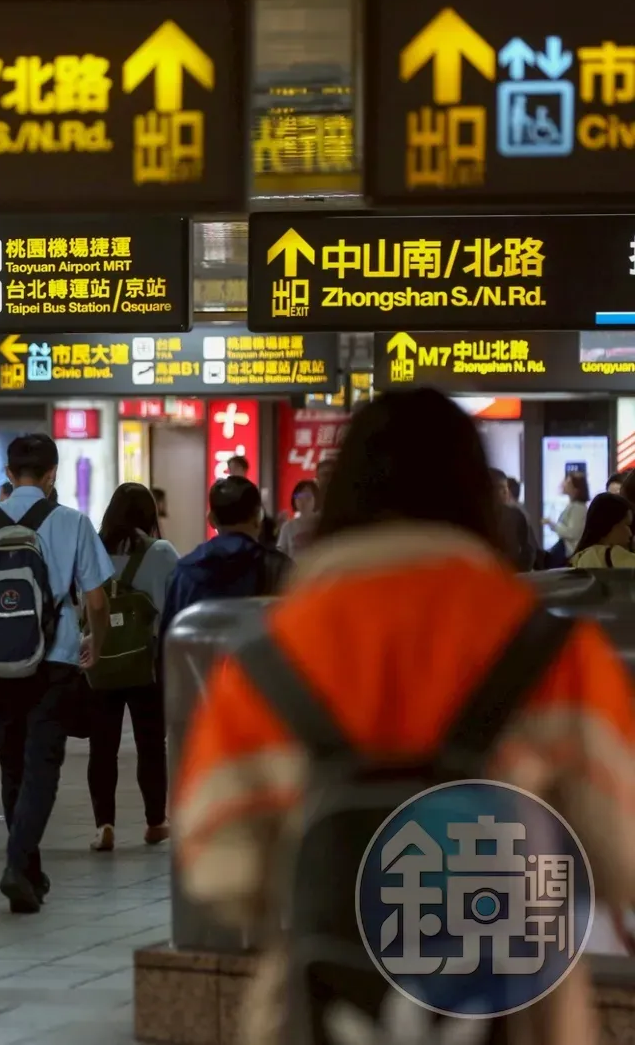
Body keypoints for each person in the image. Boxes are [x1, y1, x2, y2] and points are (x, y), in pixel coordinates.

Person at [173, 388, 635, 1043]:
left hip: (321, 1014)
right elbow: (623, 856)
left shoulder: (265, 660)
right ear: (478, 496)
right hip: (518, 1014)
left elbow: (217, 869)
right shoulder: (558, 654)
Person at [0, 434, 112, 914]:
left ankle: (29, 871)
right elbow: (97, 601)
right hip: (54, 660)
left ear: (10, 473)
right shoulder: (72, 522)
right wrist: (94, 645)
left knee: (13, 761)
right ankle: (19, 865)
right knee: (42, 765)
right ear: (52, 474)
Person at [87, 483, 179, 853]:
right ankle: (155, 821)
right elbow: (173, 606)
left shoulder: (91, 548)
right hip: (147, 661)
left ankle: (103, 826)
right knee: (151, 745)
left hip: (101, 656)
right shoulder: (161, 552)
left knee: (102, 746)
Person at [156, 476, 292, 646]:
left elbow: (168, 646)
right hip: (262, 671)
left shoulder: (185, 572)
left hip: (200, 671)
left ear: (211, 520)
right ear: (259, 517)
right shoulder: (280, 568)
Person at [492, 467, 539, 573]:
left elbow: (529, 549)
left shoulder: (515, 514)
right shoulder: (480, 518)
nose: (506, 492)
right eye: (500, 488)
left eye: (506, 487)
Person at [570, 492, 635, 568]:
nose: (630, 533)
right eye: (626, 525)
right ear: (610, 525)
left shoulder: (579, 558)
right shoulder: (613, 554)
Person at [545, 469, 590, 558]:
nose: (564, 484)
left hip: (570, 554)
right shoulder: (573, 506)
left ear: (576, 489)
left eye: (568, 482)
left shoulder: (578, 508)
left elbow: (572, 533)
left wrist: (552, 524)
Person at [275, 479, 320, 558]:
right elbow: (280, 555)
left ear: (316, 498)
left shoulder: (322, 524)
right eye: (299, 497)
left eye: (307, 497)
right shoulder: (288, 527)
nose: (303, 501)